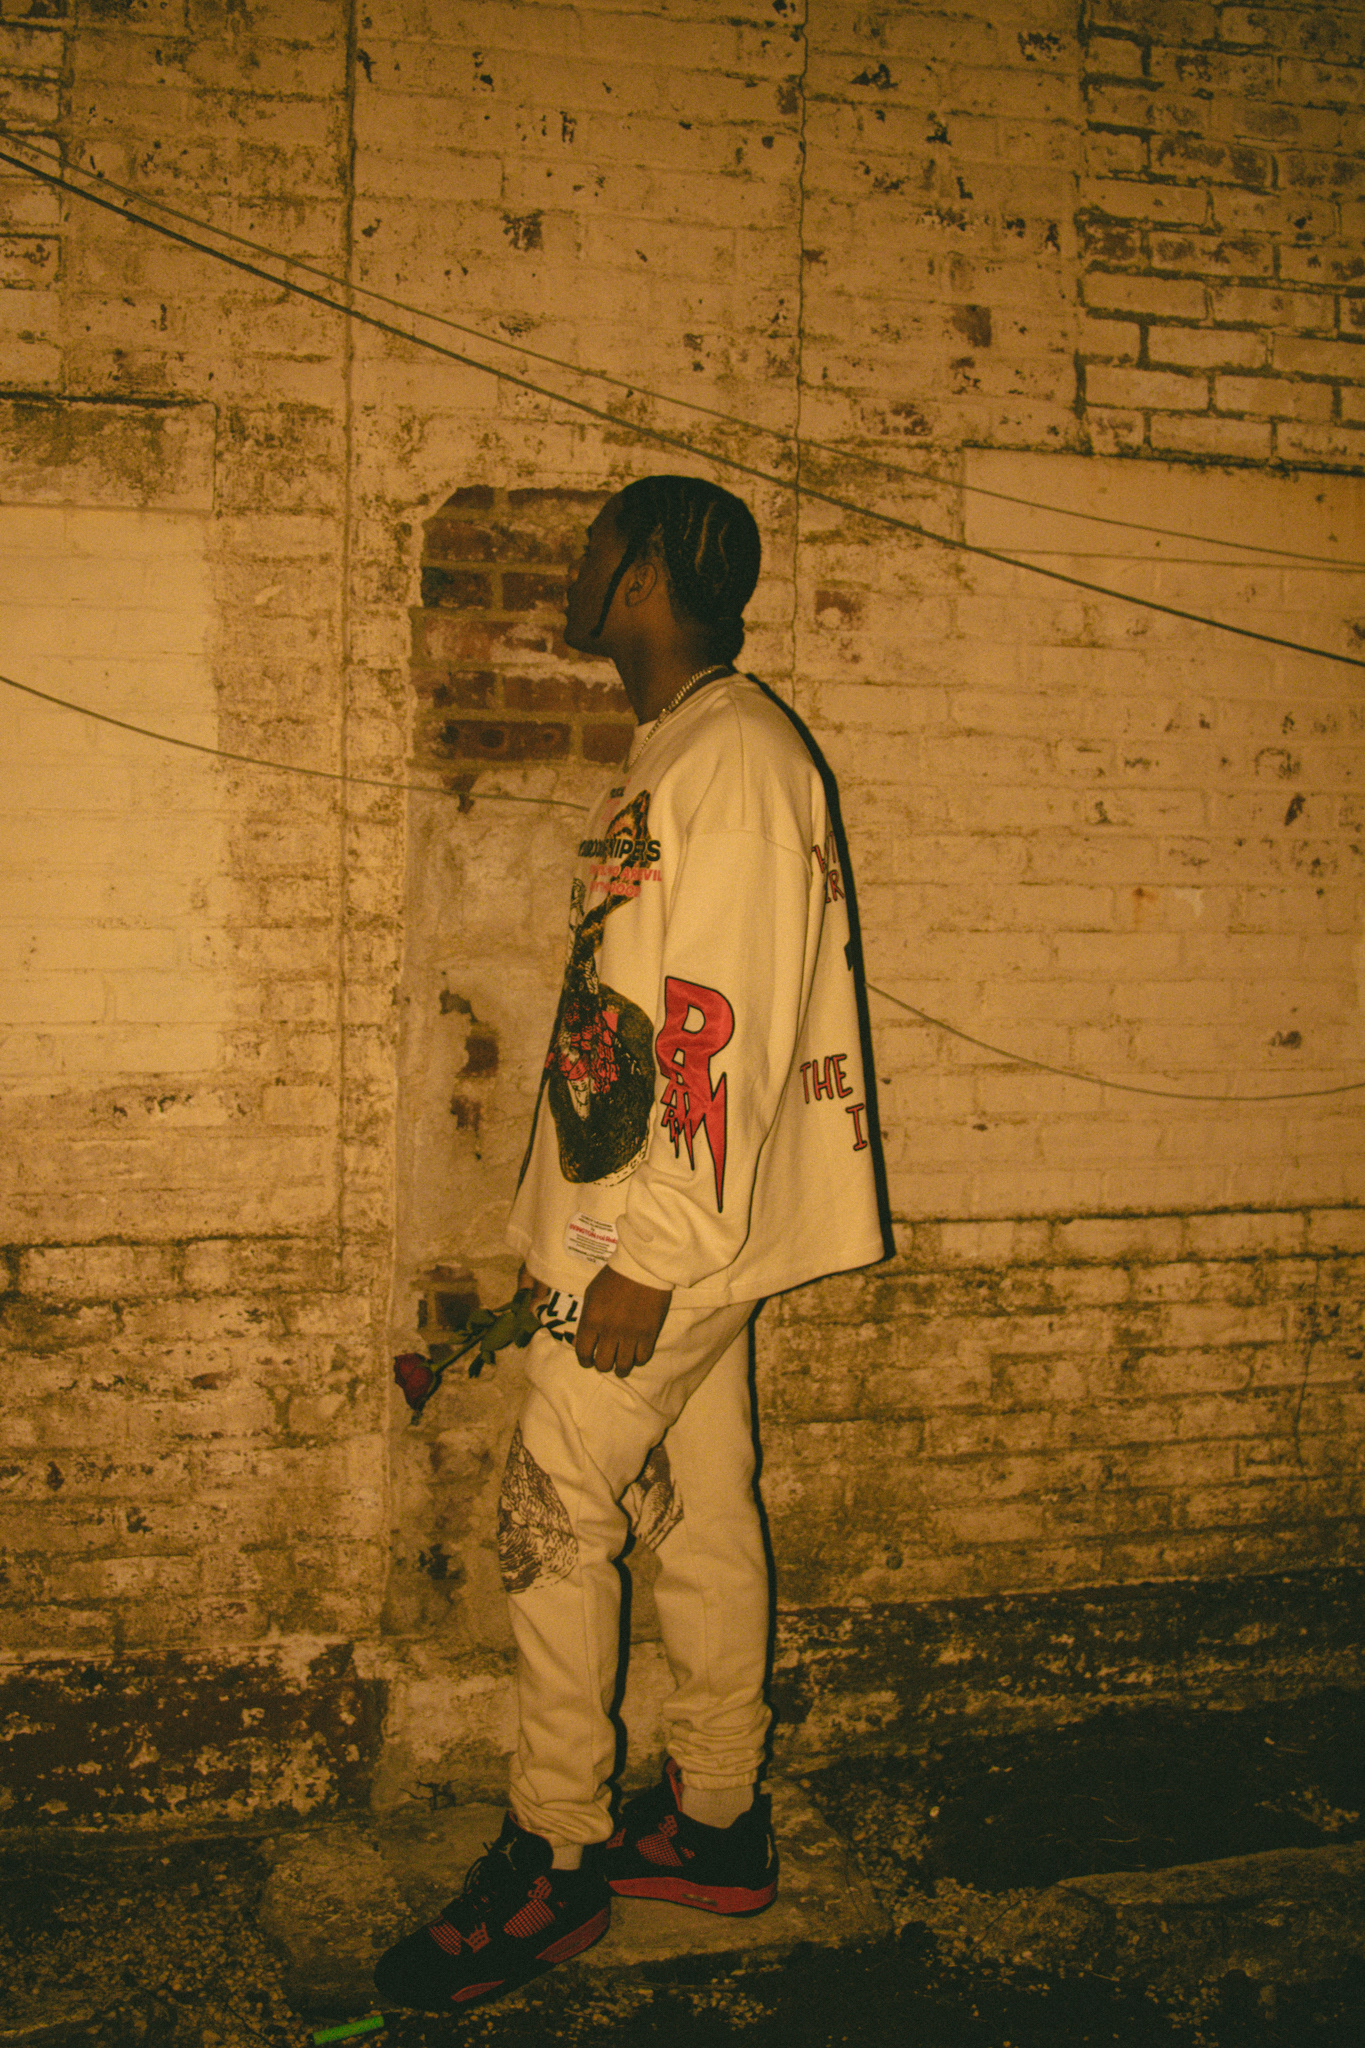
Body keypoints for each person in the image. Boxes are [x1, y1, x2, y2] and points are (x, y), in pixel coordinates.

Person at [376, 475, 888, 2012]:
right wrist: (588, 1234)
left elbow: (717, 1028)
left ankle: (554, 1855)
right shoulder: (684, 748)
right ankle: (715, 1823)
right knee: (702, 1508)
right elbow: (638, 1020)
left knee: (553, 1502)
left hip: (675, 1240)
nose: (578, 569)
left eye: (598, 549)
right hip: (660, 1224)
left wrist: (649, 1255)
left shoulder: (731, 760)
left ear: (649, 574)